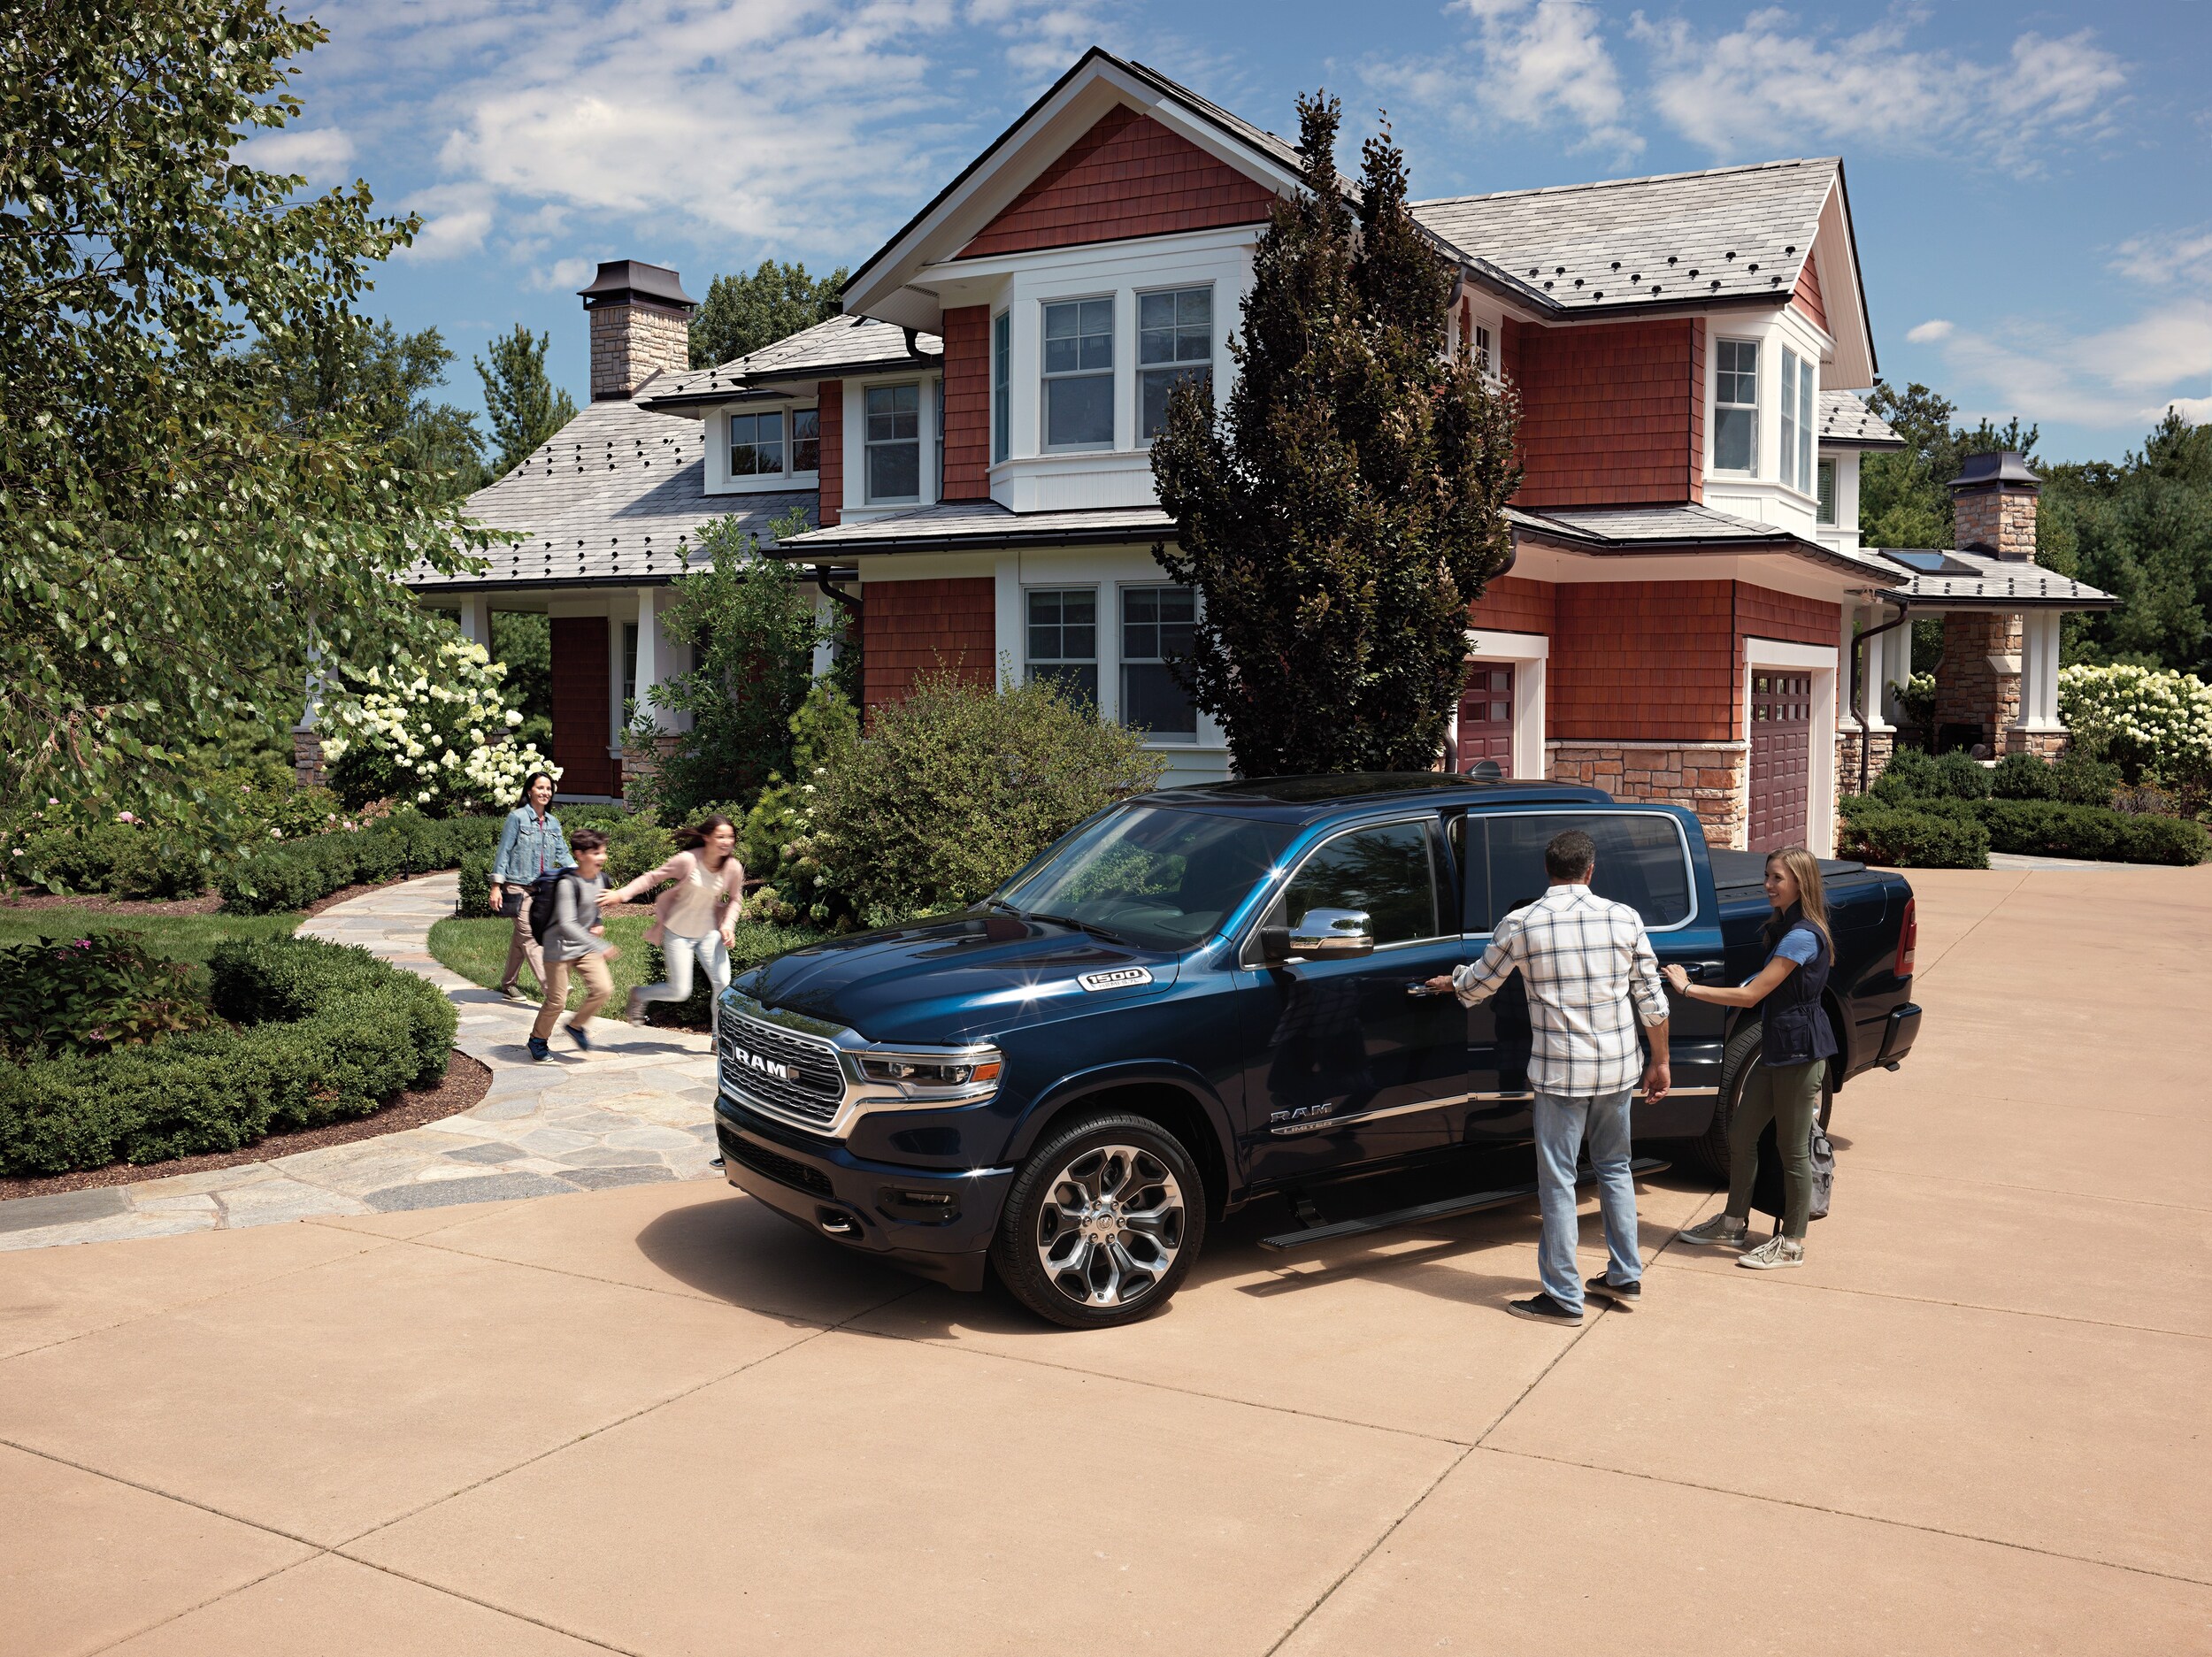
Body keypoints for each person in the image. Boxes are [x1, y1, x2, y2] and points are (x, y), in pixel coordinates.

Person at [1425, 828, 1671, 1326]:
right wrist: (1660, 1061)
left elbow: (1478, 987)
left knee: (1558, 1181)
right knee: (1615, 1168)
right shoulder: (1624, 918)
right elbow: (1652, 1000)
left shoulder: (1522, 923)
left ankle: (1562, 1297)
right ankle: (1625, 1274)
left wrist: (1448, 983)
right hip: (1619, 1067)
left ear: (1547, 870)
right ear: (1590, 870)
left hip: (1560, 1074)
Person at [1665, 846, 1835, 1270]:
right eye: (1767, 875)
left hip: (1800, 1052)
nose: (1768, 885)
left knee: (1793, 1149)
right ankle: (1733, 1221)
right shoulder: (1785, 926)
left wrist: (1688, 990)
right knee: (1742, 1137)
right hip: (1777, 1048)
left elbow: (1751, 994)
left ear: (1800, 881)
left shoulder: (1801, 935)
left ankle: (1792, 1243)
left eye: (1777, 878)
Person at [603, 814, 744, 1024]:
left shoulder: (733, 867)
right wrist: (621, 894)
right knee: (680, 991)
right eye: (721, 837)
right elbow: (652, 877)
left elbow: (735, 899)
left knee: (723, 985)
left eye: (730, 837)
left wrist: (728, 926)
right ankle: (639, 994)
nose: (727, 842)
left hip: (709, 933)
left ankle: (718, 1037)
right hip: (679, 932)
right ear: (706, 837)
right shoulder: (688, 860)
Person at [527, 828, 618, 1062]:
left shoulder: (601, 878)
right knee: (557, 1000)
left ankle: (576, 1026)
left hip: (584, 946)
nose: (602, 857)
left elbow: (593, 908)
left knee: (603, 989)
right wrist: (600, 945)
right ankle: (537, 1040)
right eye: (596, 853)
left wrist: (597, 922)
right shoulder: (568, 884)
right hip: (559, 947)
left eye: (603, 852)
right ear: (579, 854)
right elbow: (567, 923)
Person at [489, 772, 572, 999]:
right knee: (531, 937)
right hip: (517, 886)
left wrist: (581, 876)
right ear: (529, 791)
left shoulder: (553, 822)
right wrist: (496, 886)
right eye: (540, 788)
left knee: (521, 939)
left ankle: (508, 984)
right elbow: (504, 852)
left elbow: (563, 853)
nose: (545, 792)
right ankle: (553, 986)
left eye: (549, 788)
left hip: (542, 890)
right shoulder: (517, 818)